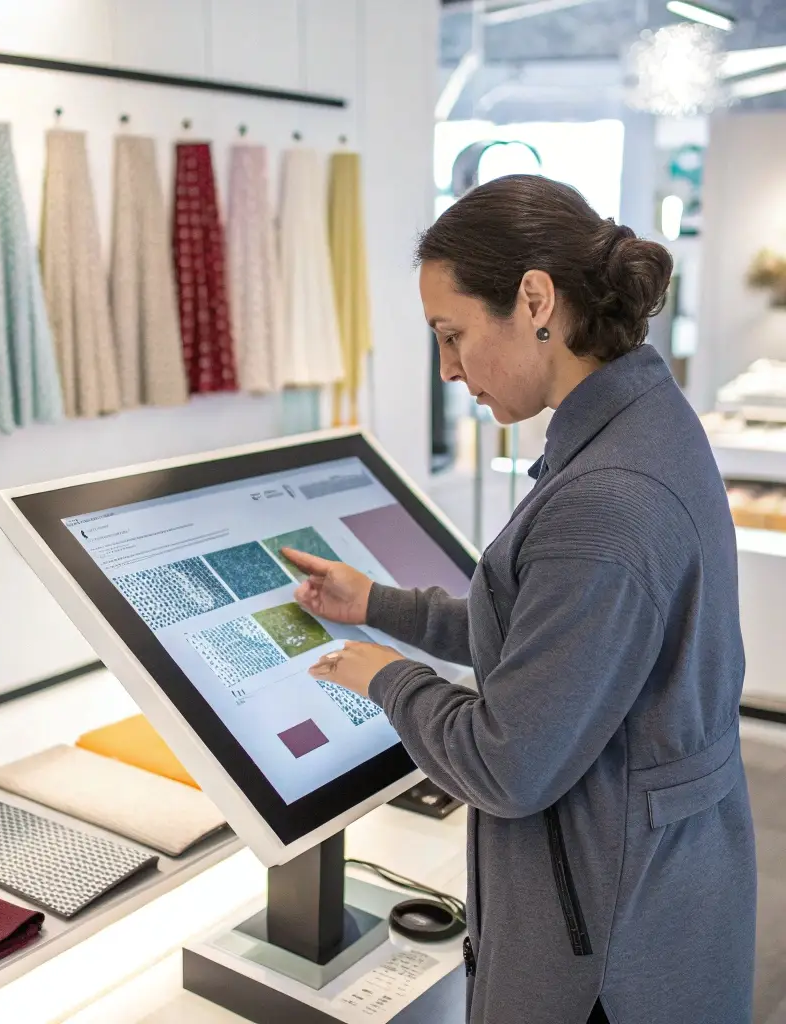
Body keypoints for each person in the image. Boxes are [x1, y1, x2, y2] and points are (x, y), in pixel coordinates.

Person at [282, 174, 756, 1024]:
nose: (448, 368)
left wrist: (386, 677)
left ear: (535, 299)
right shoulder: (645, 420)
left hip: (606, 957)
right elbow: (558, 643)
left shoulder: (607, 498)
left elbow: (508, 765)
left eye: (452, 332)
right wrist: (384, 605)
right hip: (661, 902)